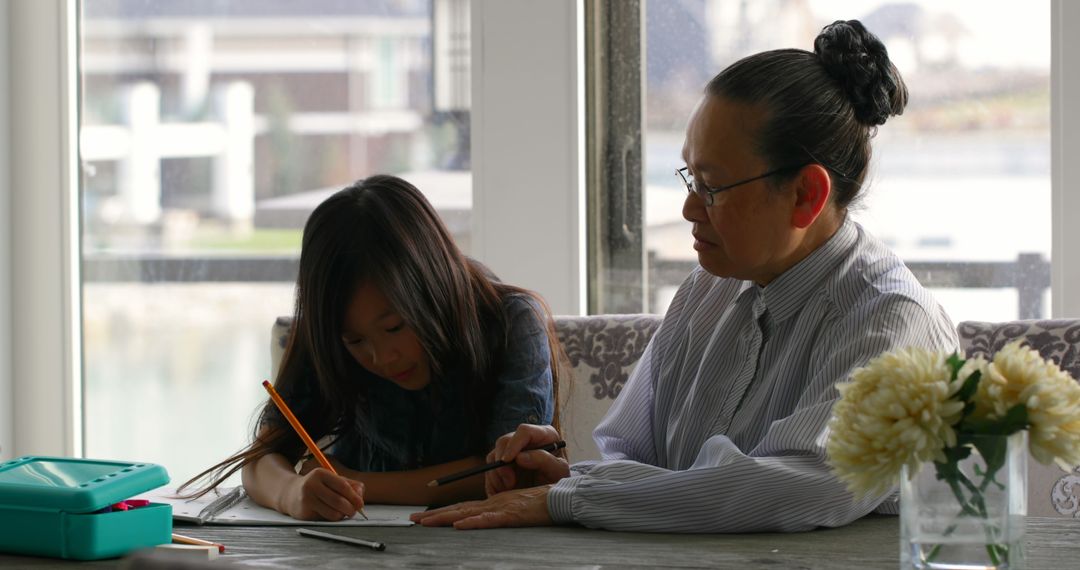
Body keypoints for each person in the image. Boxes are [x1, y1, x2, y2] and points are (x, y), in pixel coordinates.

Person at [411, 20, 958, 533]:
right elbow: (631, 451)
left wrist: (573, 498)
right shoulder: (709, 290)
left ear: (804, 195)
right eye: (689, 177)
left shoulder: (890, 322)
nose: (690, 210)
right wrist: (566, 477)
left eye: (712, 187)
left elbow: (794, 488)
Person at [180, 174, 561, 521]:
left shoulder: (511, 321)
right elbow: (261, 461)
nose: (382, 357)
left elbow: (507, 475)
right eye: (355, 341)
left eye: (394, 327)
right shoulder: (328, 332)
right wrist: (291, 491)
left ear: (434, 287)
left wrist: (356, 482)